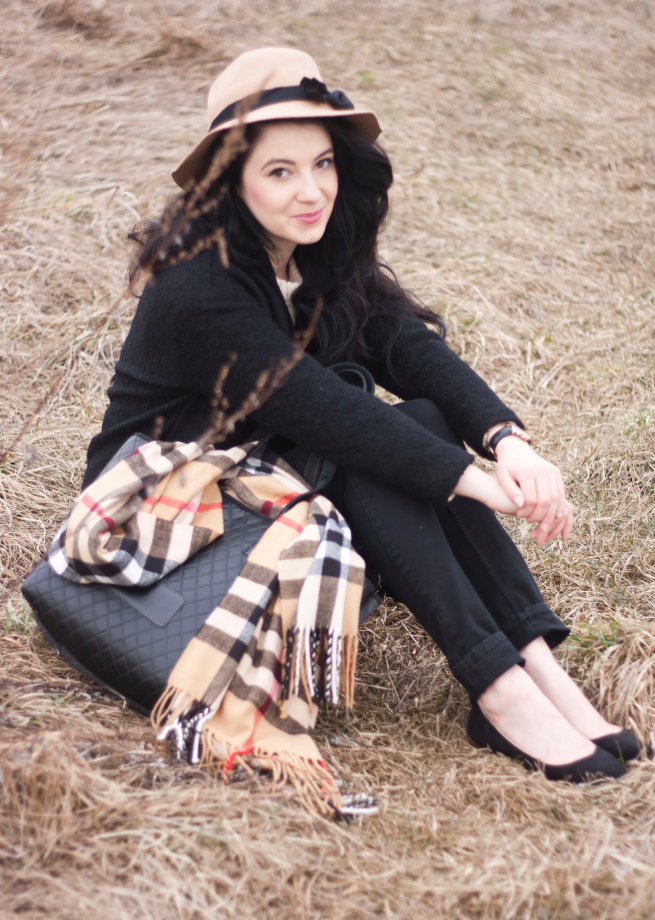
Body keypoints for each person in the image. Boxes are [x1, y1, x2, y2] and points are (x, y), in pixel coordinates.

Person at [83, 47, 643, 781]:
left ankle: (535, 668)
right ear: (229, 181)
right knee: (355, 450)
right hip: (157, 520)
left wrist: (506, 440)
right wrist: (478, 485)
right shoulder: (198, 284)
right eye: (279, 171)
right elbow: (320, 411)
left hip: (257, 478)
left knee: (416, 417)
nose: (311, 190)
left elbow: (404, 344)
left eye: (322, 162)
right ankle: (498, 688)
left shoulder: (305, 249)